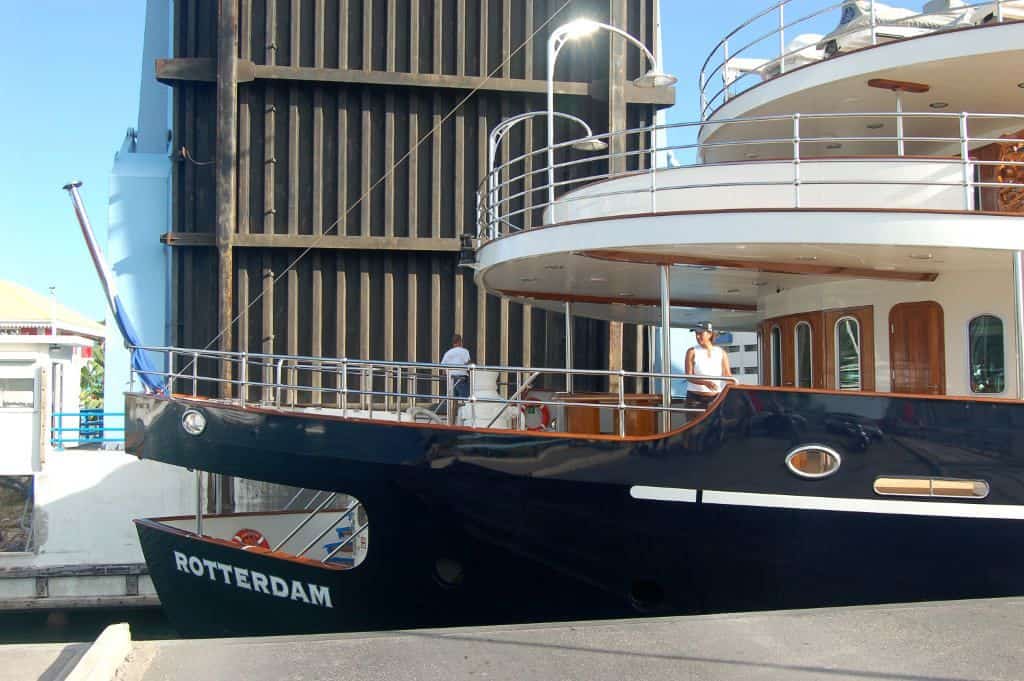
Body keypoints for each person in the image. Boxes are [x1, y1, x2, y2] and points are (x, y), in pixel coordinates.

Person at [684, 322, 733, 411]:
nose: (697, 336)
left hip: (716, 398)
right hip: (695, 399)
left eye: (700, 333)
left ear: (710, 334)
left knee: (716, 424)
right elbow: (688, 376)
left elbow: (727, 375)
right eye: (696, 333)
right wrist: (706, 382)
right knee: (695, 424)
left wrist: (736, 386)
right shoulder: (691, 351)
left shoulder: (721, 352)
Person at [441, 334, 471, 399]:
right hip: (462, 378)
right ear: (460, 341)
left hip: (451, 378)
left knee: (453, 400)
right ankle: (464, 409)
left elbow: (443, 369)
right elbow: (468, 364)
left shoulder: (448, 353)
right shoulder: (465, 351)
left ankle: (453, 409)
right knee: (465, 400)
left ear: (453, 342)